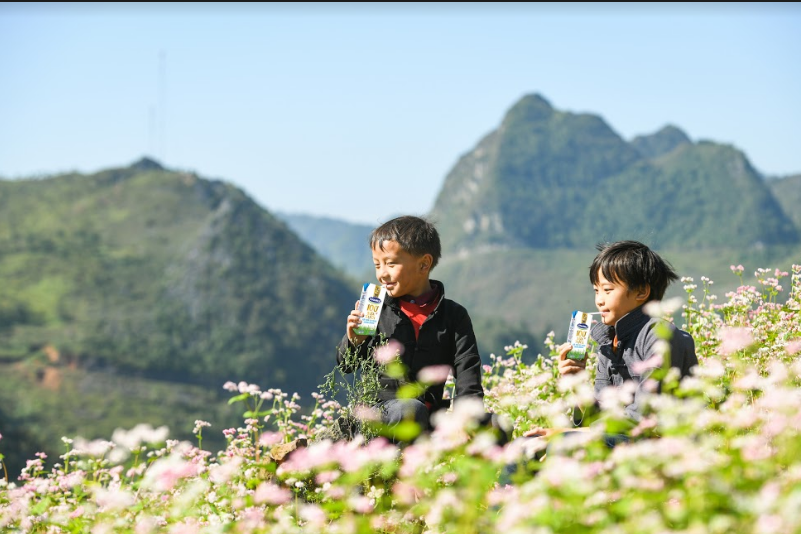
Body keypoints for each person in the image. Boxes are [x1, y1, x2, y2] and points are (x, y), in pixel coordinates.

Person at [525, 240, 698, 443]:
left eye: (607, 290)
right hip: (620, 441)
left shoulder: (659, 336)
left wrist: (569, 434)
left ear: (642, 292)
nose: (599, 300)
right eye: (596, 291)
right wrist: (576, 381)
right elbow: (597, 418)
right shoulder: (608, 342)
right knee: (526, 445)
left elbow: (644, 418)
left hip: (662, 446)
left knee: (564, 446)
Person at [336, 215, 487, 439]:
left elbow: (468, 377)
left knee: (494, 425)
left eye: (391, 263)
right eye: (377, 264)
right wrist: (354, 340)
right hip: (381, 416)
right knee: (410, 410)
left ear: (424, 264)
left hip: (430, 417)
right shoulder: (375, 307)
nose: (382, 274)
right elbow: (346, 366)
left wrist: (468, 421)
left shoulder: (454, 316)